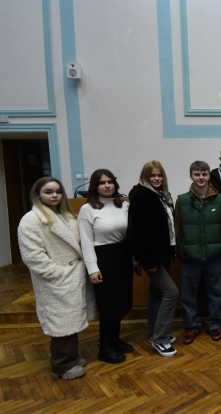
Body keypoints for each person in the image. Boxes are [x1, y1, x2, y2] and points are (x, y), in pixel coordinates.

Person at [18, 177, 98, 379]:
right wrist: (56, 274)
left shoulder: (67, 215)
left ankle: (71, 356)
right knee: (61, 323)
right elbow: (32, 256)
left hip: (73, 277)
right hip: (56, 281)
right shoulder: (31, 220)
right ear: (38, 195)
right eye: (48, 192)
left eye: (58, 191)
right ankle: (61, 365)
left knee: (71, 320)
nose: (54, 195)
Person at [78, 169, 134, 364]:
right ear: (95, 186)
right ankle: (105, 347)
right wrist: (92, 269)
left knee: (121, 301)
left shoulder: (124, 205)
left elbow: (131, 235)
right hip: (104, 259)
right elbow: (86, 241)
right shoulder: (87, 209)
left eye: (110, 182)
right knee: (108, 304)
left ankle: (115, 339)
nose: (107, 186)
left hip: (123, 256)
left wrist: (134, 260)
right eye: (102, 183)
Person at [128, 161, 179, 357]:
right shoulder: (142, 195)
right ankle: (160, 340)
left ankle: (153, 333)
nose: (156, 179)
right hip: (153, 257)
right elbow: (138, 232)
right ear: (145, 177)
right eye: (152, 176)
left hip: (165, 253)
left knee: (156, 294)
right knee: (171, 293)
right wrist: (149, 261)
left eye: (159, 175)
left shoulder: (162, 195)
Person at [175, 161, 221, 345]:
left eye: (204, 174)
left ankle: (214, 324)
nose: (201, 178)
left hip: (214, 256)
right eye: (197, 174)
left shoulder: (220, 200)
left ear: (209, 175)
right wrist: (180, 250)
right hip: (190, 257)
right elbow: (177, 228)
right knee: (188, 295)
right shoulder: (182, 200)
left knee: (216, 293)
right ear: (191, 176)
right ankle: (191, 327)